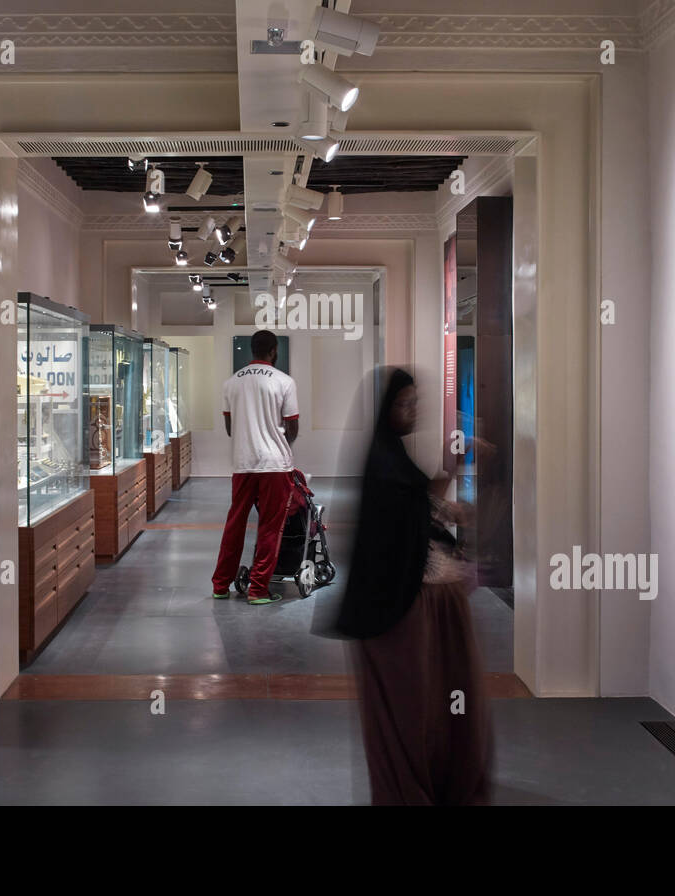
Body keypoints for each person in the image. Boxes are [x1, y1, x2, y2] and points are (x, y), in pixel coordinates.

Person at [335, 368, 493, 805]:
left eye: (416, 402)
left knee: (434, 704)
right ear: (387, 410)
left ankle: (434, 780)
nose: (414, 411)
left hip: (420, 600)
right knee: (411, 709)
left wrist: (448, 491)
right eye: (405, 404)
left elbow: (418, 501)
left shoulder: (393, 460)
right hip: (399, 606)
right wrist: (447, 512)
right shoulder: (385, 465)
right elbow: (407, 519)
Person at [210, 330, 299, 605]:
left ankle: (220, 586)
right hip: (274, 466)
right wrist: (276, 440)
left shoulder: (231, 383)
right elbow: (292, 427)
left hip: (243, 463)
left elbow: (229, 428)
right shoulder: (284, 381)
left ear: (252, 350)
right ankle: (258, 589)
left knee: (234, 524)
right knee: (270, 527)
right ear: (273, 351)